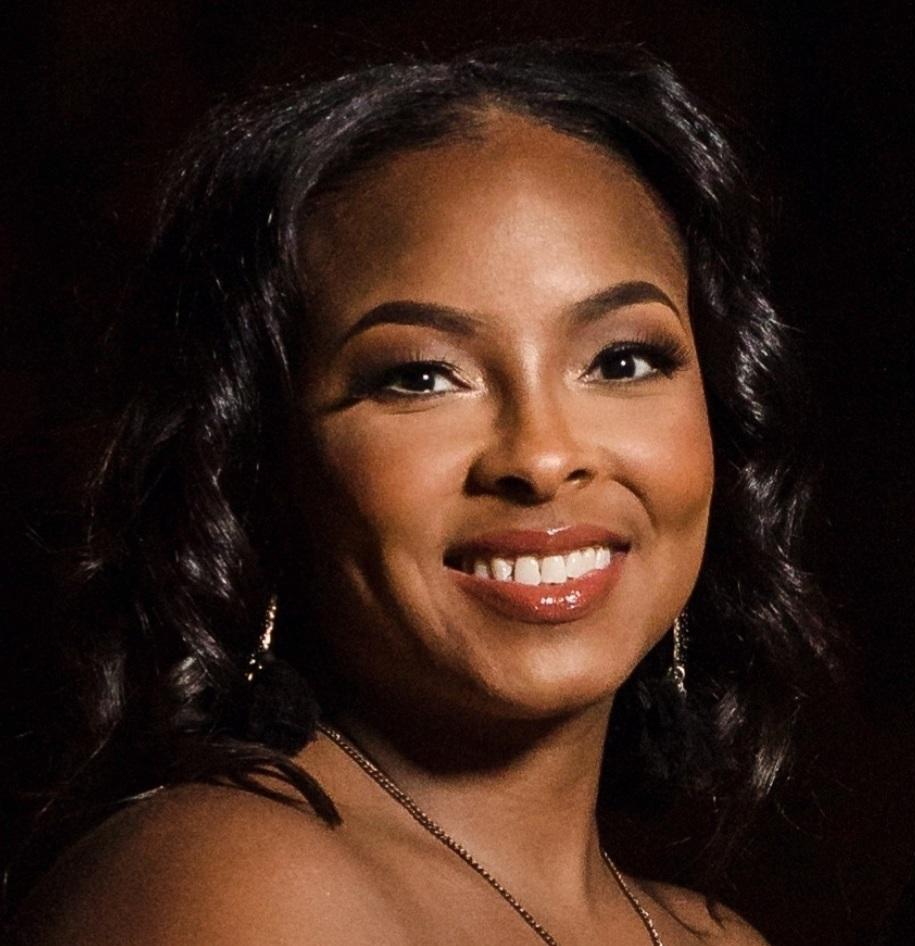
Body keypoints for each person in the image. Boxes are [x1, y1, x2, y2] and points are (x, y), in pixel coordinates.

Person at [5, 43, 830, 945]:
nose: (543, 457)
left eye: (623, 360)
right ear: (257, 463)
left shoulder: (714, 936)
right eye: (421, 377)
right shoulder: (232, 891)